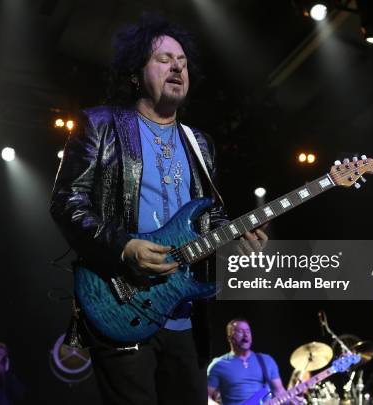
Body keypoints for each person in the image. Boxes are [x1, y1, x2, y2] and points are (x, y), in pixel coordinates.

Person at [50, 15, 267, 405]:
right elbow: (67, 203)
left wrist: (235, 235)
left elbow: (208, 217)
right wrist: (123, 247)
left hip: (184, 313)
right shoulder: (100, 125)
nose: (177, 67)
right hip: (120, 302)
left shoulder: (200, 143)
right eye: (164, 59)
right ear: (136, 73)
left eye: (182, 61)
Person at [207, 319, 300, 405]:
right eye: (240, 331)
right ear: (229, 338)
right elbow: (205, 398)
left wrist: (291, 400)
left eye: (248, 331)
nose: (246, 335)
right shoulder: (218, 365)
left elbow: (279, 392)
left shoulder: (266, 360)